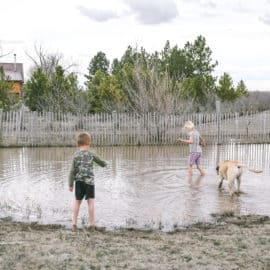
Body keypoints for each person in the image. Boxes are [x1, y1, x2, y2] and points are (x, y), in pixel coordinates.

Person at [68, 132, 107, 231]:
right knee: (90, 202)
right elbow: (100, 162)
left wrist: (70, 184)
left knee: (77, 202)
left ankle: (74, 223)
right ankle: (91, 223)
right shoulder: (91, 154)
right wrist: (105, 164)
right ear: (89, 143)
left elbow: (72, 171)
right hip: (89, 182)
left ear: (78, 144)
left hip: (79, 182)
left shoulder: (76, 155)